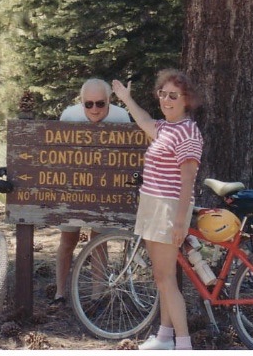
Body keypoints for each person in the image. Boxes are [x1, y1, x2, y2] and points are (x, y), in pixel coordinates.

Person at [112, 69, 203, 351]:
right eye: (162, 94)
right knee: (162, 278)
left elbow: (188, 178)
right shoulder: (165, 127)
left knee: (166, 279)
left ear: (186, 100)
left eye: (173, 96)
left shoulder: (188, 131)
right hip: (153, 205)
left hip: (168, 209)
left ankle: (183, 344)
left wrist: (179, 222)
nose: (166, 100)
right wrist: (127, 99)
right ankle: (164, 337)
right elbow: (144, 120)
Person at [51, 78, 131, 306]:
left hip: (105, 189)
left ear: (109, 101)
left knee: (100, 239)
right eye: (89, 104)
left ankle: (97, 295)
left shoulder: (121, 117)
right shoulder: (68, 116)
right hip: (73, 188)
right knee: (68, 238)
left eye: (100, 104)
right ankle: (59, 293)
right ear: (81, 102)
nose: (94, 109)